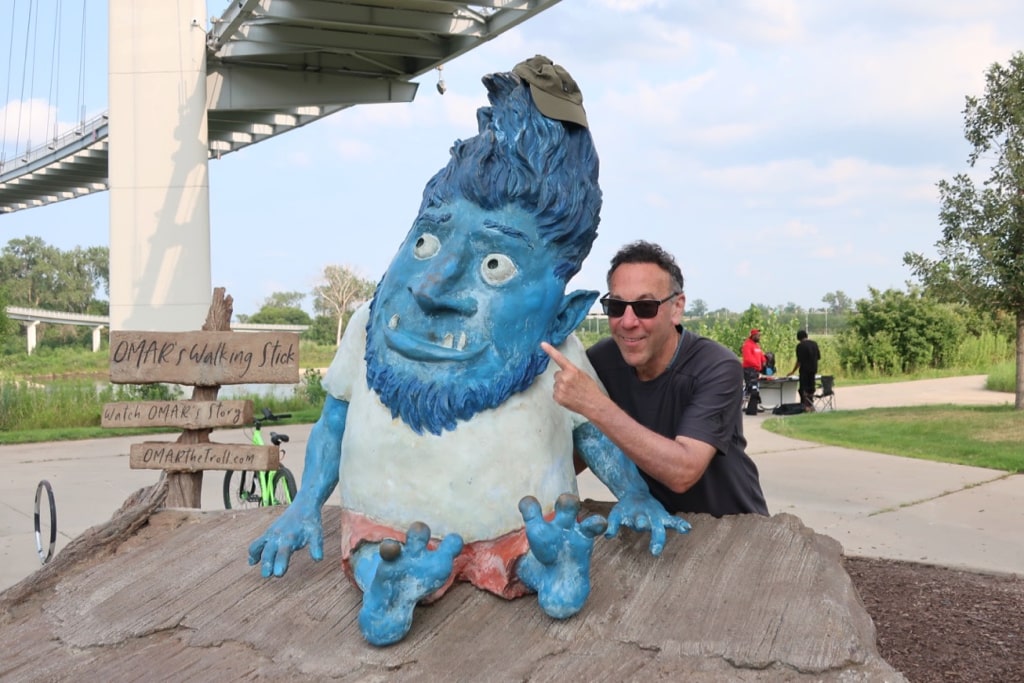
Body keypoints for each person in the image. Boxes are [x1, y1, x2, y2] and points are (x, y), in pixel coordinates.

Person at [247, 57, 687, 647]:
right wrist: (304, 505)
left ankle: (545, 567)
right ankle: (392, 581)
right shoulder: (367, 324)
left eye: (493, 265)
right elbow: (335, 418)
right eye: (425, 242)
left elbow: (592, 433)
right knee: (382, 553)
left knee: (537, 551)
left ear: (562, 313)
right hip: (389, 527)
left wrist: (633, 492)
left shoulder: (555, 348)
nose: (431, 289)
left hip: (518, 526)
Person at [542, 241, 768, 517]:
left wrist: (594, 404)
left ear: (676, 308)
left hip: (733, 528)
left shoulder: (717, 367)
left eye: (645, 307)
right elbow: (580, 455)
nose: (627, 321)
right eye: (616, 306)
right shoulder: (602, 360)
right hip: (658, 529)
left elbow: (683, 472)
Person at [788, 329, 821, 411]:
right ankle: (811, 405)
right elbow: (818, 357)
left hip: (804, 371)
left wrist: (793, 371)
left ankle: (805, 406)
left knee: (803, 389)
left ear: (798, 338)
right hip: (813, 369)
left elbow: (799, 361)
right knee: (811, 388)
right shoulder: (814, 344)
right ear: (806, 336)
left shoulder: (800, 346)